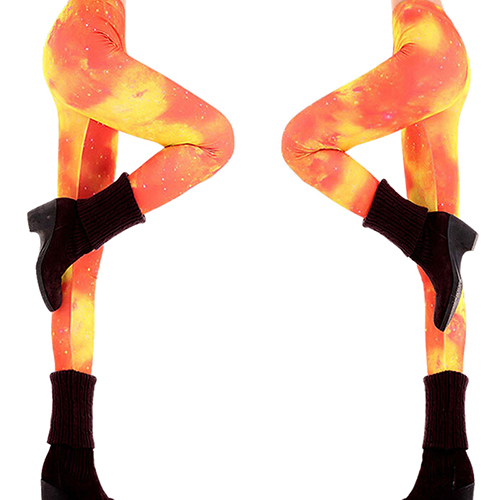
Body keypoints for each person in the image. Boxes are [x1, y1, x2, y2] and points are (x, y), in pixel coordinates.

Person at [28, 1, 234, 498]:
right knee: (212, 141)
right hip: (86, 52)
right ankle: (73, 228)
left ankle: (68, 462)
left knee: (78, 269)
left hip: (83, 49)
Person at [282, 0, 475, 498]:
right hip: (439, 53)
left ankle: (427, 236)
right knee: (441, 275)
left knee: (303, 144)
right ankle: (448, 464)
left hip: (428, 55)